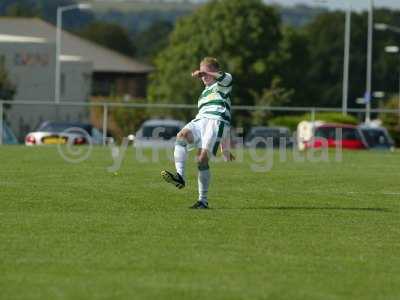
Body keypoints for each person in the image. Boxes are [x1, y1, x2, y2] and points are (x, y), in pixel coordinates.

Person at [161, 57, 235, 209]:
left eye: (205, 73)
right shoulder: (203, 95)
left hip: (215, 122)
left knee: (201, 160)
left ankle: (203, 201)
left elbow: (224, 121)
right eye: (201, 74)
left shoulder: (223, 85)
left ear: (216, 72)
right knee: (181, 136)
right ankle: (180, 177)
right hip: (200, 121)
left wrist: (225, 149)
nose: (203, 76)